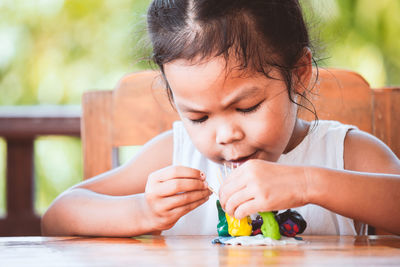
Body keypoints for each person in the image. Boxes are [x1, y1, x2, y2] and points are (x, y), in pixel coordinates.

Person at [42, 0, 400, 237]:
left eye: (246, 108)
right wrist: (141, 211)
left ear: (299, 73)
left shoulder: (343, 152)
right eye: (198, 117)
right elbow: (57, 217)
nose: (226, 135)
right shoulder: (177, 154)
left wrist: (309, 183)